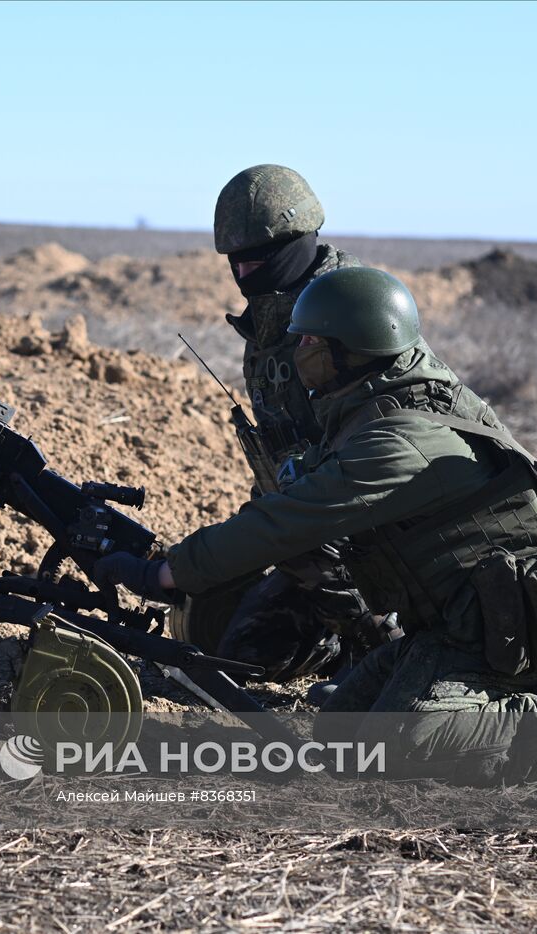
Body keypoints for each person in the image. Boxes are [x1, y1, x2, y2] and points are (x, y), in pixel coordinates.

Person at [96, 266, 537, 781]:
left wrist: (167, 574)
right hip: (453, 625)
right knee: (339, 736)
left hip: (507, 635)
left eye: (313, 341)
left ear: (353, 349)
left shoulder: (397, 441)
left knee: (403, 750)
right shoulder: (391, 398)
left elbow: (281, 523)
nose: (301, 351)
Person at [174, 164, 391, 687]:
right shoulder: (270, 321)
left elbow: (391, 456)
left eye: (259, 260)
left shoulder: (353, 313)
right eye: (236, 263)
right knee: (230, 651)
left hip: (382, 540)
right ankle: (342, 642)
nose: (245, 276)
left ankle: (386, 648)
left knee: (386, 676)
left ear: (299, 242)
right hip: (305, 534)